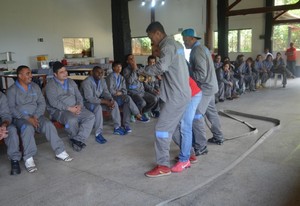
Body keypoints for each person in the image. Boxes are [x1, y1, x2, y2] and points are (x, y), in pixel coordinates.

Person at [140, 21, 191, 178]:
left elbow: (161, 66)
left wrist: (144, 71)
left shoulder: (167, 46)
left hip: (175, 96)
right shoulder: (177, 44)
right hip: (182, 92)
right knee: (175, 128)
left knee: (161, 130)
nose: (151, 42)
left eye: (150, 37)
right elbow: (171, 68)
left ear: (157, 33)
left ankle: (163, 165)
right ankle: (189, 154)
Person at [7, 65, 73, 173]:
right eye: (27, 73)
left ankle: (60, 151)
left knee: (48, 124)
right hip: (21, 119)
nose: (31, 76)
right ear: (20, 76)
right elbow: (11, 109)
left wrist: (36, 116)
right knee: (27, 127)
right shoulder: (12, 90)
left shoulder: (35, 87)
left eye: (30, 73)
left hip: (36, 116)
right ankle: (28, 158)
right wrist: (27, 118)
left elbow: (42, 103)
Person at [181, 28, 224, 157]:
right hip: (211, 86)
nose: (184, 43)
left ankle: (201, 146)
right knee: (211, 112)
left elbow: (201, 74)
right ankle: (218, 136)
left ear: (192, 39)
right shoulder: (203, 48)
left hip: (205, 87)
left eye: (185, 40)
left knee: (196, 116)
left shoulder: (196, 51)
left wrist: (187, 71)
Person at [45, 61, 95, 152]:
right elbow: (54, 102)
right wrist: (70, 109)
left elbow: (79, 96)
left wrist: (79, 106)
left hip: (75, 107)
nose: (65, 73)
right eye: (61, 72)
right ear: (55, 74)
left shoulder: (71, 81)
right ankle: (76, 142)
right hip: (60, 111)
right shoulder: (50, 85)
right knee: (72, 120)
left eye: (65, 71)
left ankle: (78, 139)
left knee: (90, 116)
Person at [80, 66, 127, 144]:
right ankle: (98, 133)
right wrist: (105, 102)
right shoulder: (86, 82)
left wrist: (110, 100)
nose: (100, 74)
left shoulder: (102, 81)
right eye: (97, 72)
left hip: (98, 101)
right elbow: (89, 98)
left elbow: (106, 92)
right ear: (92, 72)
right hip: (87, 103)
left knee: (114, 103)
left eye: (101, 72)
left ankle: (117, 127)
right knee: (98, 108)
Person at [106, 61, 149, 133]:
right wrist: (117, 93)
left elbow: (125, 90)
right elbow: (110, 90)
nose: (119, 68)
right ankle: (138, 115)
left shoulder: (121, 77)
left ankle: (126, 125)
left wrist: (120, 92)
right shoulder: (110, 77)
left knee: (127, 103)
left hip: (120, 96)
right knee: (128, 98)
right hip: (112, 97)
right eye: (117, 66)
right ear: (113, 68)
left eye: (120, 67)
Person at [122, 54, 158, 120]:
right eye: (130, 59)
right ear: (127, 61)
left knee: (154, 99)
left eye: (133, 58)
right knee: (142, 102)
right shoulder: (126, 70)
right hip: (133, 92)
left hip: (142, 91)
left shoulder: (138, 68)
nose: (133, 60)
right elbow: (129, 81)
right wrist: (133, 70)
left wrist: (145, 77)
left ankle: (144, 112)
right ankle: (133, 113)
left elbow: (146, 77)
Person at [0, 92, 21, 175]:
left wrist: (4, 125)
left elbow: (6, 114)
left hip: (1, 122)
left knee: (11, 129)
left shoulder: (1, 96)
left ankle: (14, 160)